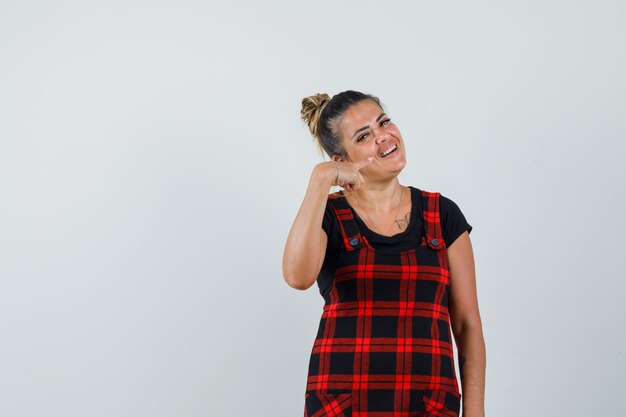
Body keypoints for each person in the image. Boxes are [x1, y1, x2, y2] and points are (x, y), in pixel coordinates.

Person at [283, 90, 485, 417]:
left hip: (429, 407)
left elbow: (466, 325)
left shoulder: (442, 214)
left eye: (384, 122)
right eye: (364, 136)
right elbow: (297, 276)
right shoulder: (328, 215)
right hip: (343, 408)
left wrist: (475, 413)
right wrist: (320, 181)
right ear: (341, 161)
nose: (383, 137)